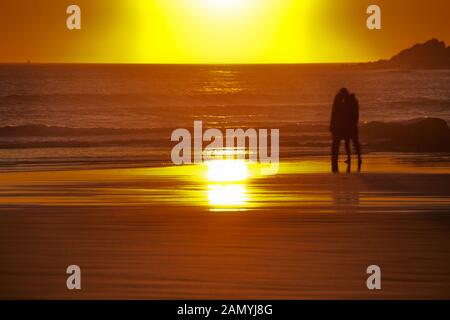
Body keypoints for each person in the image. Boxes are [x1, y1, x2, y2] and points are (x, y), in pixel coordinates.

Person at [330, 88, 350, 173]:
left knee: (336, 143)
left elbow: (334, 115)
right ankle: (334, 158)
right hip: (338, 127)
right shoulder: (341, 104)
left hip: (338, 126)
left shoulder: (339, 103)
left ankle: (334, 158)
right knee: (337, 143)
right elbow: (338, 115)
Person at [346, 94, 362, 172]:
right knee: (354, 142)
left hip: (351, 126)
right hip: (352, 125)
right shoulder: (354, 103)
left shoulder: (352, 104)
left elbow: (352, 116)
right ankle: (358, 158)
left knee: (351, 142)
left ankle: (351, 158)